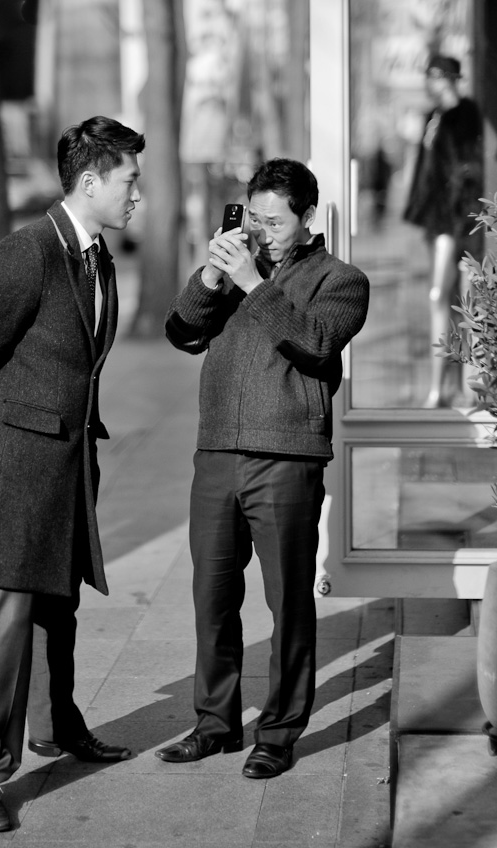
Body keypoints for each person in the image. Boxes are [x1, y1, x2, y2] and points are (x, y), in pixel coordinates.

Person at [0, 115, 145, 831]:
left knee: (59, 609)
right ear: (91, 182)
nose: (137, 195)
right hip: (13, 463)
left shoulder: (97, 256)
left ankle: (57, 727)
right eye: (129, 180)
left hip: (64, 460)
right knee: (7, 622)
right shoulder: (28, 253)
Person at [155, 158, 369, 779]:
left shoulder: (342, 279)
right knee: (212, 598)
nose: (263, 231)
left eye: (275, 221)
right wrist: (212, 278)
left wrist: (254, 284)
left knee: (288, 604)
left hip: (289, 458)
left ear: (307, 218)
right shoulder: (235, 269)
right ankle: (216, 724)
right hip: (218, 450)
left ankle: (279, 732)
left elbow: (316, 344)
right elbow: (179, 330)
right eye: (254, 217)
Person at [403, 53, 483, 408]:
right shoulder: (433, 117)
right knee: (443, 299)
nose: (428, 82)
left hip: (459, 219)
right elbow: (426, 171)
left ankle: (462, 386)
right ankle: (444, 385)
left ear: (448, 78)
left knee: (453, 299)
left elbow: (469, 169)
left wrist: (460, 214)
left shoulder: (465, 117)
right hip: (439, 220)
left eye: (434, 76)